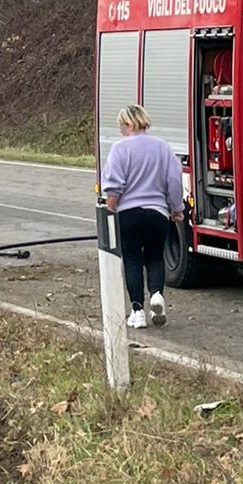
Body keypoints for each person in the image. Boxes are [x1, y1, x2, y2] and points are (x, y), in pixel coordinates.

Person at [100, 104, 186, 329]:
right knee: (155, 257)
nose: (120, 131)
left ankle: (137, 311)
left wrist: (110, 209)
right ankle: (157, 295)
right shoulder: (163, 147)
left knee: (133, 260)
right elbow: (175, 180)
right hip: (157, 213)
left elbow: (114, 187)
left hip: (128, 214)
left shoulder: (119, 149)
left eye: (121, 126)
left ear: (129, 124)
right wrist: (176, 208)